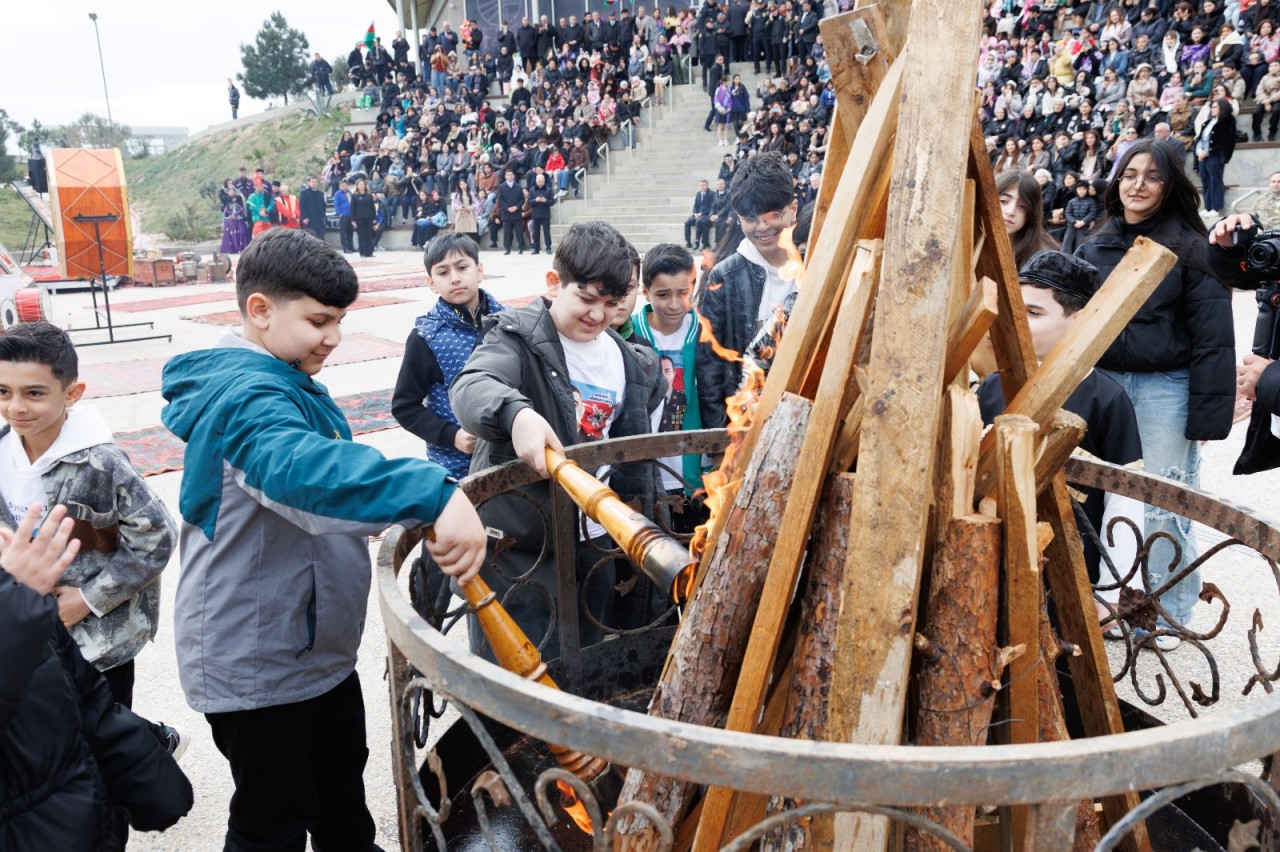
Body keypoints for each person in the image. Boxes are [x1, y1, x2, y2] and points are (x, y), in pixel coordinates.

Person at [159, 228, 489, 852]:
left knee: (340, 802)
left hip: (309, 648)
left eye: (339, 320)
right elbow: (301, 472)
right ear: (260, 309)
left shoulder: (281, 374)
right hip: (260, 661)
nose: (333, 337)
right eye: (318, 321)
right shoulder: (249, 397)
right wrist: (434, 493)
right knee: (271, 822)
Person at [451, 221, 665, 658]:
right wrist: (516, 414)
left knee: (585, 662)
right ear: (554, 283)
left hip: (595, 541)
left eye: (611, 303)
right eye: (585, 299)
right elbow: (472, 385)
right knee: (516, 667)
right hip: (523, 548)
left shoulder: (630, 361)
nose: (598, 315)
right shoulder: (516, 338)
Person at [1074, 139, 1235, 650]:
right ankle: (1097, 598)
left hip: (1165, 386)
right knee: (1089, 490)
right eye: (1128, 174)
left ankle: (1168, 612)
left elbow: (1213, 339)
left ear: (1170, 186)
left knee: (1166, 502)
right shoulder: (1094, 244)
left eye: (1151, 176)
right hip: (1103, 383)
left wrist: (1208, 419)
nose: (1137, 185)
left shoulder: (1192, 249)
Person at [0, 320, 181, 741]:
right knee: (51, 728)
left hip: (100, 638)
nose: (16, 407)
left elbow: (156, 536)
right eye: (4, 392)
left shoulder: (100, 463)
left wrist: (86, 599)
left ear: (73, 393)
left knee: (106, 733)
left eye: (34, 393)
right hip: (31, 621)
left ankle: (152, 747)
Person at [0, 502, 193, 851]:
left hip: (76, 812)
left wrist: (147, 775)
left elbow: (79, 694)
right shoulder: (14, 601)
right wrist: (14, 610)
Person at [974, 252, 1145, 633]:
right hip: (989, 561)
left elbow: (1125, 497)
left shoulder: (1106, 399)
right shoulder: (992, 386)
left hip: (1067, 574)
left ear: (1078, 319)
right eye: (1012, 308)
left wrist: (1112, 591)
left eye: (1034, 313)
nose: (1015, 321)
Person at [695, 152, 797, 429]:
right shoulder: (724, 277)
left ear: (793, 209)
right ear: (738, 219)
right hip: (744, 426)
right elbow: (710, 370)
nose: (762, 227)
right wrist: (719, 439)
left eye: (773, 215)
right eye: (750, 219)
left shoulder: (814, 269)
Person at [393, 234, 504, 479]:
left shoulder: (510, 323)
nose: (455, 278)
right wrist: (452, 436)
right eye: (443, 272)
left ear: (480, 270)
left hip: (511, 455)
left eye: (463, 267)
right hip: (457, 465)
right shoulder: (426, 337)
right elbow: (405, 407)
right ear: (431, 282)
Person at [631, 243, 708, 532]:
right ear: (645, 291)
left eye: (683, 293)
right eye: (663, 294)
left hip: (693, 471)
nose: (674, 304)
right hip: (646, 470)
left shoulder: (705, 331)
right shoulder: (629, 333)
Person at [1194, 97, 1236, 215]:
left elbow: (1226, 142)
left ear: (1222, 108)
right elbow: (1200, 139)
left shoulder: (1228, 122)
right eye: (1211, 107)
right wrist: (1199, 152)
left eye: (1214, 107)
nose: (1211, 109)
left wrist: (1206, 152)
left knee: (1215, 180)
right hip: (1202, 157)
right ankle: (1208, 207)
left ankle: (1216, 208)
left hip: (1215, 156)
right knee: (1205, 181)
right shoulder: (1208, 122)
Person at [1063, 178, 1101, 254]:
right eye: (1079, 189)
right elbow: (1067, 212)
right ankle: (1063, 257)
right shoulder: (1072, 201)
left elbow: (1092, 213)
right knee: (1066, 243)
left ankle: (1077, 260)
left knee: (1079, 244)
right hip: (1072, 225)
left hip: (1084, 226)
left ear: (1087, 190)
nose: (1081, 191)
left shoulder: (1091, 201)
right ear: (1076, 189)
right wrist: (1073, 221)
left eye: (1084, 189)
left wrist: (1083, 222)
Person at [497, 168, 527, 254]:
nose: (510, 176)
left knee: (519, 230)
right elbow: (500, 199)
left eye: (511, 175)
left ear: (513, 176)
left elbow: (522, 199)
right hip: (506, 212)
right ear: (505, 176)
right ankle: (507, 248)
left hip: (516, 212)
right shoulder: (501, 187)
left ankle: (521, 247)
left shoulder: (518, 186)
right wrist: (507, 208)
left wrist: (516, 207)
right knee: (507, 231)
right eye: (508, 175)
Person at [528, 172, 556, 254]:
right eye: (539, 181)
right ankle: (536, 248)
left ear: (544, 181)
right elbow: (529, 202)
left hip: (545, 214)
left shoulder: (548, 189)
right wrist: (535, 200)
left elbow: (552, 202)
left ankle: (548, 247)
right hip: (535, 214)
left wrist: (545, 200)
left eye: (542, 181)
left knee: (546, 232)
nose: (540, 183)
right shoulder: (532, 190)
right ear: (536, 181)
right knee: (536, 232)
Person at [219, 181, 251, 254]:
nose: (231, 193)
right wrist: (231, 215)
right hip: (230, 220)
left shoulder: (238, 199)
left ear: (235, 192)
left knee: (241, 232)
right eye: (230, 192)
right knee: (230, 234)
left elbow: (241, 209)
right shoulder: (225, 200)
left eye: (232, 192)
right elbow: (225, 210)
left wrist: (236, 214)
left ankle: (241, 248)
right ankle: (231, 249)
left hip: (238, 219)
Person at [1253, 59, 1280, 142]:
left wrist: (1270, 100)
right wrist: (1265, 101)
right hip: (1264, 99)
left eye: (1276, 65)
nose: (1273, 68)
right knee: (1256, 112)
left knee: (1276, 110)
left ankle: (1272, 130)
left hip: (1277, 98)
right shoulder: (1265, 77)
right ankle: (1256, 132)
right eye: (1271, 66)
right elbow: (1259, 90)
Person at [350, 178, 377, 258]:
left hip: (369, 217)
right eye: (360, 184)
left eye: (363, 184)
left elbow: (372, 207)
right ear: (357, 186)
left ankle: (370, 252)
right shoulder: (354, 196)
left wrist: (374, 218)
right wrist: (353, 220)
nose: (362, 186)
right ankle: (363, 253)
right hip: (359, 218)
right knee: (362, 236)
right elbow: (352, 208)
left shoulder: (369, 195)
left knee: (369, 235)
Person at [685, 179, 715, 249]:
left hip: (705, 215)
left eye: (704, 185)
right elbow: (695, 206)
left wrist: (701, 214)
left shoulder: (712, 194)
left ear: (707, 185)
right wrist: (695, 213)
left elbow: (712, 207)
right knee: (687, 223)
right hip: (697, 215)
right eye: (701, 185)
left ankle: (697, 243)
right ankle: (688, 242)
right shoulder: (698, 194)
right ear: (699, 186)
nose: (702, 187)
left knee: (699, 222)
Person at [299, 176, 327, 242]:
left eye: (316, 182)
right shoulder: (304, 193)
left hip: (320, 218)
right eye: (312, 182)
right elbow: (302, 206)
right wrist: (304, 217)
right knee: (312, 236)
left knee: (321, 236)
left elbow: (323, 205)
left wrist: (323, 213)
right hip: (310, 219)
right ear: (309, 183)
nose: (314, 183)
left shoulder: (320, 193)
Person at [332, 179, 354, 253]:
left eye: (345, 185)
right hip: (343, 215)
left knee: (350, 232)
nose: (344, 187)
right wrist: (340, 214)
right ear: (339, 186)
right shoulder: (337, 194)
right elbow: (336, 204)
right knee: (343, 232)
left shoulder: (349, 192)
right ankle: (345, 248)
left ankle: (351, 246)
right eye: (342, 186)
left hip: (351, 215)